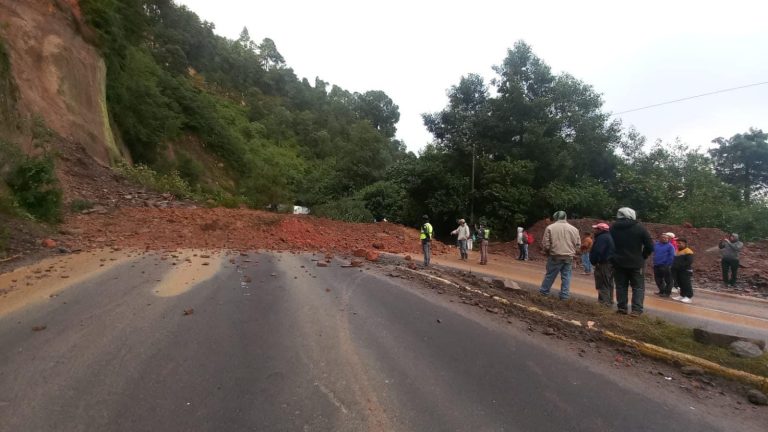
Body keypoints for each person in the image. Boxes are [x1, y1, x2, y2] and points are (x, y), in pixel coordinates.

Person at [610, 207, 653, 316]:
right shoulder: (640, 228)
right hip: (636, 263)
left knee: (621, 286)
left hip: (618, 263)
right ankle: (636, 310)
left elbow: (609, 245)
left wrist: (613, 257)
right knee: (638, 287)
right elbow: (650, 246)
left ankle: (622, 308)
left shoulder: (613, 228)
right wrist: (643, 256)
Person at [538, 211, 580, 300]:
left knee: (550, 275)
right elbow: (578, 245)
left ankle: (544, 292)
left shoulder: (550, 228)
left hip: (555, 256)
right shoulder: (574, 229)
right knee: (566, 277)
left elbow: (546, 244)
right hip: (569, 257)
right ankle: (564, 296)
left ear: (555, 217)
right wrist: (573, 252)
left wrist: (547, 251)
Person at [589, 222, 615, 306]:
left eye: (596, 229)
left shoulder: (602, 238)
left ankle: (604, 303)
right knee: (608, 283)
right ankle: (609, 301)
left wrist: (594, 261)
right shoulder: (609, 236)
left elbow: (598, 251)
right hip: (610, 263)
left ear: (600, 230)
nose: (594, 230)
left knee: (602, 283)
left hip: (603, 263)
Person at [671, 238, 695, 303]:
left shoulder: (688, 251)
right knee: (680, 283)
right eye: (677, 243)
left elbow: (689, 261)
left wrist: (680, 266)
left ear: (685, 244)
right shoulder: (677, 250)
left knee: (686, 283)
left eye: (679, 243)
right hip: (678, 270)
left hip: (685, 270)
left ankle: (689, 297)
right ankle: (682, 295)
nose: (678, 244)